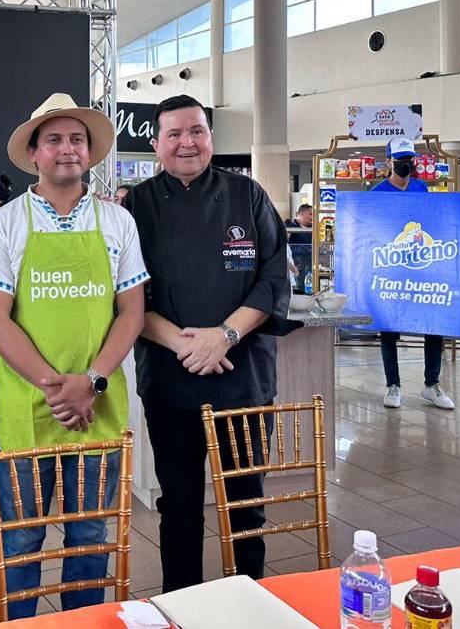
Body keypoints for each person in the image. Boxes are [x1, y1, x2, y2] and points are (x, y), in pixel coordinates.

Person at [0, 92, 147, 619]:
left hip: (98, 406)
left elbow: (132, 313)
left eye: (77, 139)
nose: (67, 149)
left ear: (90, 152)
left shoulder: (119, 223)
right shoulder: (4, 223)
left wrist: (90, 382)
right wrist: (59, 387)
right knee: (23, 541)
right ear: (34, 153)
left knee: (89, 541)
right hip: (27, 409)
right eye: (53, 139)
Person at [124, 94, 292, 592]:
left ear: (210, 137)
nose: (187, 142)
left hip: (242, 380)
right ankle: (183, 606)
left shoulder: (248, 195)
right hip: (172, 382)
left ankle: (248, 602)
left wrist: (223, 336)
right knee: (178, 507)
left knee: (246, 505)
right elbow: (127, 295)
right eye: (173, 134)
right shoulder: (137, 206)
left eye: (196, 130)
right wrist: (186, 345)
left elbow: (273, 278)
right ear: (156, 143)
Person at [374, 138, 455, 411]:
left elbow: (431, 220)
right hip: (392, 268)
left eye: (409, 159)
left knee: (433, 323)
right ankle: (392, 385)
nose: (407, 164)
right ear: (389, 162)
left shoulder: (422, 187)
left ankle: (431, 384)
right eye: (401, 159)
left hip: (424, 266)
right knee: (389, 326)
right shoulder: (377, 193)